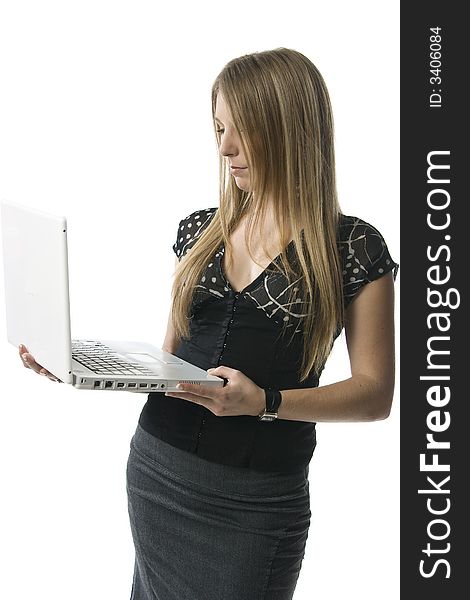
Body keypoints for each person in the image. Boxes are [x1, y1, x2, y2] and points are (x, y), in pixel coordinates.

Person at [18, 47, 399, 600]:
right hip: (157, 470)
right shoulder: (201, 230)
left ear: (289, 128)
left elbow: (374, 395)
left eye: (240, 130)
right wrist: (77, 364)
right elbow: (169, 361)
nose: (224, 148)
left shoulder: (353, 247)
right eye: (218, 128)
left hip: (255, 500)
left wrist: (265, 402)